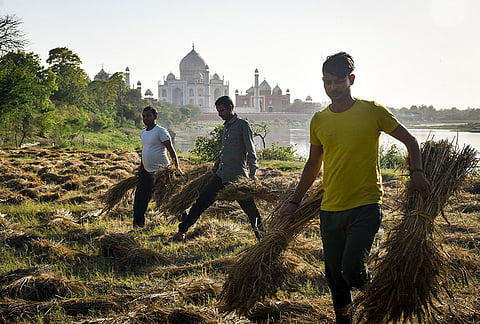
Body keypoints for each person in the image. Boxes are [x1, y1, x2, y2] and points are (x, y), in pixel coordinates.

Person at [278, 52, 431, 324]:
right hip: (330, 208)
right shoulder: (319, 120)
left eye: (337, 82)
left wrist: (417, 172)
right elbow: (313, 165)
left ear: (351, 79)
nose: (332, 88)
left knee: (351, 269)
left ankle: (376, 298)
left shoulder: (372, 111)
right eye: (327, 82)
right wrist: (294, 201)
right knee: (335, 278)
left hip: (365, 205)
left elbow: (411, 141)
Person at [170, 96, 264, 241]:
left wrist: (253, 175)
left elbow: (251, 152)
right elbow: (228, 150)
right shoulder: (226, 126)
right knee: (201, 203)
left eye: (222, 110)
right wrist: (218, 162)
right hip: (221, 175)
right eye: (218, 111)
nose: (220, 114)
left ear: (230, 108)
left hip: (237, 177)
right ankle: (181, 232)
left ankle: (263, 238)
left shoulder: (242, 125)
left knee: (250, 210)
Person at [133, 105, 183, 228]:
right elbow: (146, 149)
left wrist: (176, 167)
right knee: (140, 199)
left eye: (148, 116)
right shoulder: (143, 133)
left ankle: (184, 220)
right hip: (146, 171)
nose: (146, 118)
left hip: (162, 172)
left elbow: (171, 150)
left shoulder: (161, 131)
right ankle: (138, 225)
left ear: (155, 116)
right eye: (144, 116)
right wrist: (141, 166)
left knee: (169, 197)